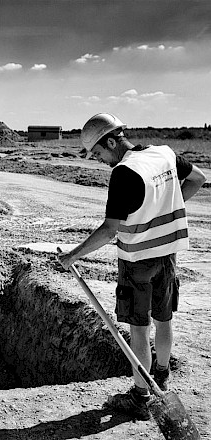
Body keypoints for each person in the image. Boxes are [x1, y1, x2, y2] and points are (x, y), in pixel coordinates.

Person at [58, 113, 207, 420]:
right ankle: (161, 375)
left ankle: (141, 397)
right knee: (164, 320)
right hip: (168, 256)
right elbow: (198, 179)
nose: (100, 160)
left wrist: (73, 255)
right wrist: (170, 204)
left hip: (138, 261)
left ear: (112, 141)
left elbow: (109, 230)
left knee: (139, 330)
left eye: (99, 153)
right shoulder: (164, 154)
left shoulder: (124, 172)